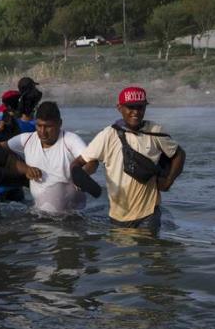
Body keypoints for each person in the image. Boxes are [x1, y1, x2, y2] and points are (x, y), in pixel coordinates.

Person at [73, 86, 186, 231]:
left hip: (149, 214)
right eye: (130, 107)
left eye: (140, 107)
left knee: (149, 250)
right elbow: (80, 162)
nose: (136, 112)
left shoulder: (155, 131)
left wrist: (168, 181)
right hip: (118, 216)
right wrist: (81, 177)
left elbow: (178, 154)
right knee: (122, 252)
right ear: (119, 108)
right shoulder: (108, 135)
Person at [4, 101, 99, 214]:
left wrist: (82, 175)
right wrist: (24, 168)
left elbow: (92, 162)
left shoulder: (70, 140)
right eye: (39, 126)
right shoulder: (27, 140)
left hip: (71, 213)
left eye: (48, 126)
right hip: (39, 212)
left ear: (60, 123)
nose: (43, 132)